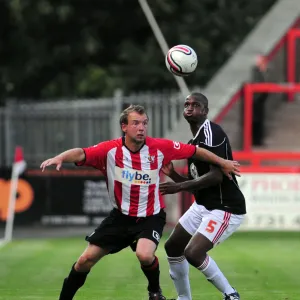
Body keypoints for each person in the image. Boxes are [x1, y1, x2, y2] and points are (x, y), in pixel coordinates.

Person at [40, 104, 241, 300]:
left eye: (144, 123)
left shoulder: (160, 147)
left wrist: (222, 162)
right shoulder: (109, 150)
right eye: (135, 123)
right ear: (124, 127)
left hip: (150, 217)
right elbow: (81, 153)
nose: (141, 127)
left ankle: (155, 292)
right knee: (85, 260)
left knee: (145, 255)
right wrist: (60, 157)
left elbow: (195, 151)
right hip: (120, 218)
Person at [160, 93, 246, 300]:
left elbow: (216, 176)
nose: (190, 108)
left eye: (196, 105)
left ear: (205, 111)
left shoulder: (211, 133)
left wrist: (178, 186)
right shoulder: (193, 142)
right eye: (187, 104)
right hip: (204, 205)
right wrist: (173, 175)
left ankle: (231, 295)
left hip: (225, 207)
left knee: (193, 253)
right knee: (173, 246)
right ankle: (184, 298)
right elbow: (198, 185)